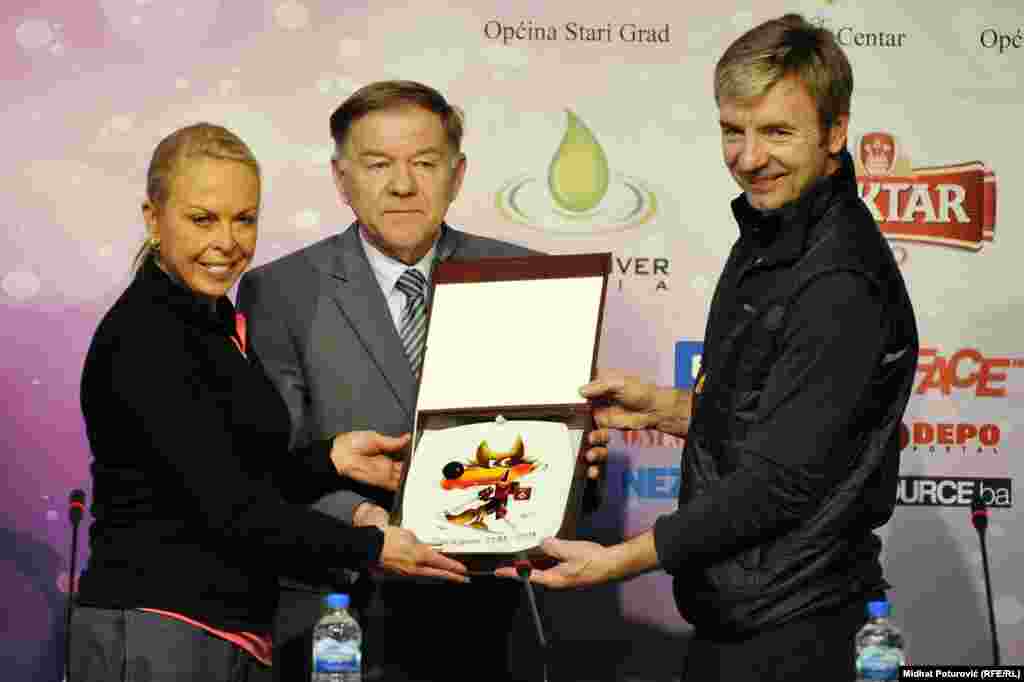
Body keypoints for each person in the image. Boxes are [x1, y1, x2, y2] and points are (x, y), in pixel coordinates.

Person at [500, 15, 919, 682]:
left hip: (801, 633)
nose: (748, 157)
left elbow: (778, 482)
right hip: (745, 621)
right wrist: (663, 408)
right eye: (733, 130)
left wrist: (619, 561)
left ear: (836, 131)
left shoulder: (839, 278)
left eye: (776, 131)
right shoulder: (772, 232)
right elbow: (778, 422)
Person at [236, 80, 609, 681]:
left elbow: (565, 470)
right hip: (341, 608)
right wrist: (366, 525)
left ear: (457, 175)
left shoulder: (519, 279)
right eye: (378, 164)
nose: (403, 185)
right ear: (341, 178)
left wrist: (576, 460)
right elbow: (270, 463)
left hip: (484, 613)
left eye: (425, 163)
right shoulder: (279, 291)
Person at [71, 122, 467, 682]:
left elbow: (241, 472)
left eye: (245, 218)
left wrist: (330, 458)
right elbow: (232, 509)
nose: (227, 241)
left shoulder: (209, 321)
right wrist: (372, 545)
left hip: (228, 630)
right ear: (153, 218)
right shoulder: (146, 337)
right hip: (160, 630)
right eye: (202, 218)